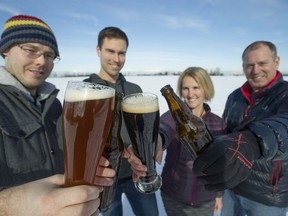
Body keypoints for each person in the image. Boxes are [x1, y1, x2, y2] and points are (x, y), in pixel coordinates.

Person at [0, 15, 115, 216]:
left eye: (50, 55)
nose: (41, 61)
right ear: (5, 50)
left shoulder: (53, 103)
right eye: (30, 50)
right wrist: (7, 207)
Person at [192, 41, 288, 216]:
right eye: (249, 65)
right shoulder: (235, 96)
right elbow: (225, 131)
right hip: (231, 186)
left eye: (262, 63)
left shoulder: (285, 94)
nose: (255, 70)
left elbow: (284, 125)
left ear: (276, 62)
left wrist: (253, 142)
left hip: (266, 196)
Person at [84, 26, 159, 216]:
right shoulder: (85, 90)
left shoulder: (134, 88)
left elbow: (144, 130)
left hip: (136, 173)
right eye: (110, 51)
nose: (116, 59)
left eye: (121, 53)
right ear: (98, 50)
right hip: (105, 177)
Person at [159, 67, 226, 216]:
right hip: (173, 195)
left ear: (206, 88)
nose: (190, 94)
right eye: (185, 88)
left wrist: (218, 195)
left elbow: (220, 165)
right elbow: (164, 126)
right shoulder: (172, 118)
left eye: (196, 87)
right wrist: (158, 139)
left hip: (205, 199)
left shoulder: (218, 123)